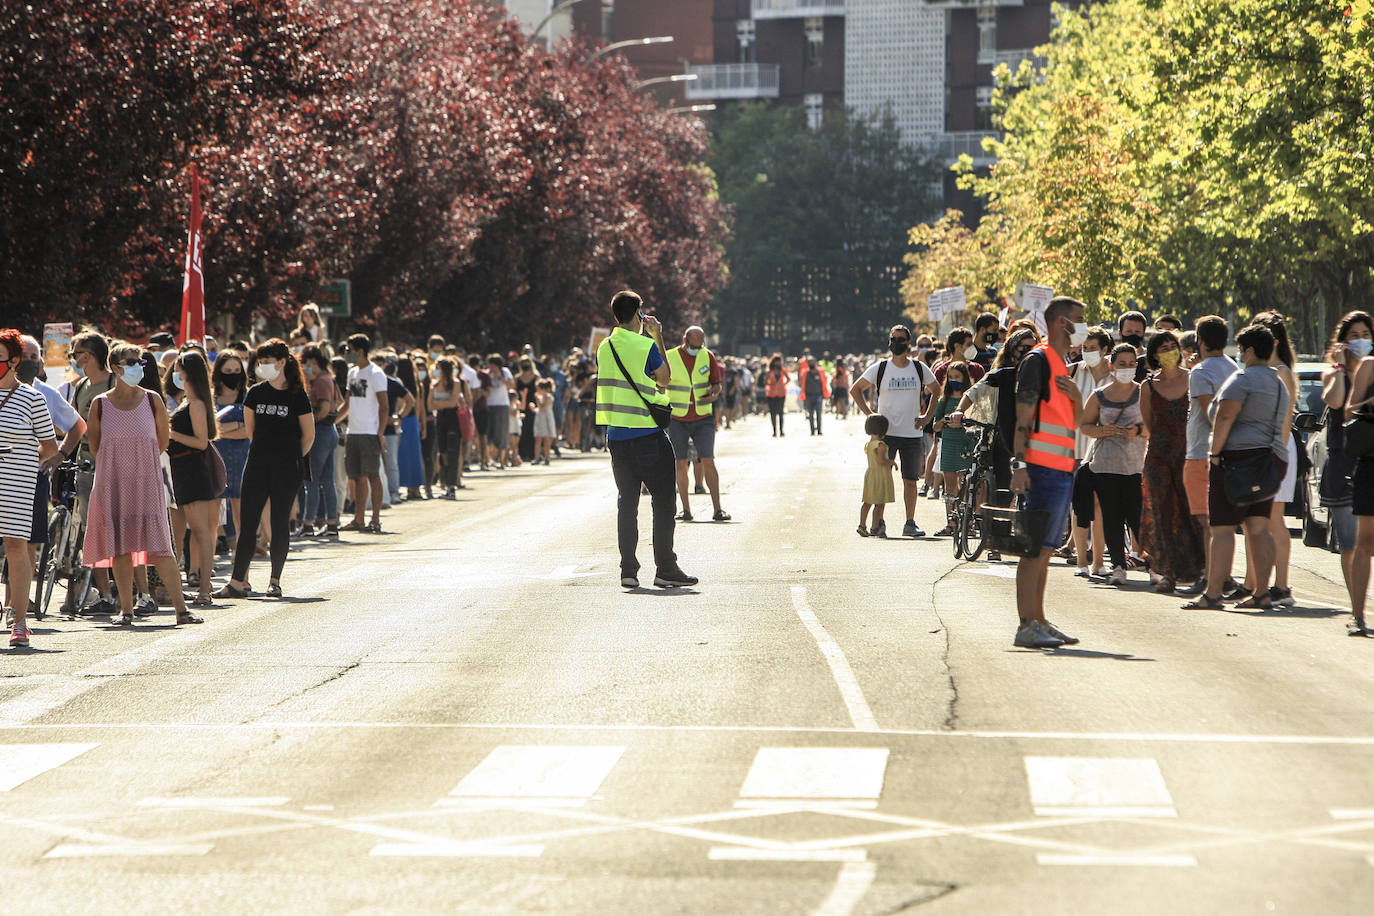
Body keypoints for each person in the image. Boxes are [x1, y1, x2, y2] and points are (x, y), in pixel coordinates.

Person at [82, 341, 200, 627]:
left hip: (147, 482)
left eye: (140, 362)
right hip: (112, 483)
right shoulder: (100, 404)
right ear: (115, 367)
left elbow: (162, 440)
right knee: (121, 547)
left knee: (161, 546)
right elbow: (96, 445)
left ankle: (181, 609)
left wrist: (139, 462)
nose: (138, 367)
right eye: (131, 362)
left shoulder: (152, 400)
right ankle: (125, 610)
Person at [595, 290, 697, 589]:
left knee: (627, 503)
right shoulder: (644, 344)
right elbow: (664, 378)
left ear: (615, 316)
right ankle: (665, 567)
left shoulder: (603, 347)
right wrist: (658, 337)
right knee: (664, 502)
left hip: (616, 435)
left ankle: (628, 569)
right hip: (647, 434)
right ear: (638, 315)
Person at [1184, 325, 1289, 611]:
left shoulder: (1243, 378)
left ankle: (1213, 593)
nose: (1241, 356)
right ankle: (1262, 592)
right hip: (1268, 460)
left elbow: (1225, 415)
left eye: (1242, 350)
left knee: (1221, 529)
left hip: (1237, 460)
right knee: (1259, 526)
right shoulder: (1277, 381)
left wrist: (1215, 453)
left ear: (1251, 350)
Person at [1010, 296, 1087, 649]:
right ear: (1061, 323)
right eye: (1079, 319)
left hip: (1059, 471)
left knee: (1045, 551)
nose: (1083, 326)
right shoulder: (1038, 360)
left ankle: (1038, 620)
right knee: (1033, 551)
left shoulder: (1061, 364)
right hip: (1040, 471)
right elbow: (1022, 419)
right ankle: (1027, 625)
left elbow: (1075, 423)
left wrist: (1075, 398)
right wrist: (1019, 466)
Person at [216, 340, 313, 600]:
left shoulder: (297, 394)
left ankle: (275, 581)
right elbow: (251, 430)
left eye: (268, 361)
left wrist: (290, 458)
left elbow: (309, 435)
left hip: (287, 467)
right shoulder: (256, 393)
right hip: (257, 463)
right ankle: (237, 582)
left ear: (282, 362)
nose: (263, 366)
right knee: (248, 524)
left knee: (280, 523)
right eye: (261, 361)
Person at [851, 324, 942, 539]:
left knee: (910, 480)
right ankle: (878, 523)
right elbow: (855, 389)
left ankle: (910, 523)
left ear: (908, 343)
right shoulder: (880, 368)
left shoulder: (919, 368)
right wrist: (870, 415)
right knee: (882, 478)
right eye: (893, 338)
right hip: (886, 435)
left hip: (912, 433)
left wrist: (928, 417)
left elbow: (938, 390)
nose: (896, 342)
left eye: (901, 339)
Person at [0, 330, 59, 646]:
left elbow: (49, 446)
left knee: (15, 547)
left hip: (18, 481)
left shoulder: (32, 397)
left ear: (14, 361)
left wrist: (22, 454)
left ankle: (19, 622)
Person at [1137, 330, 1204, 593]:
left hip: (1190, 454)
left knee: (1192, 512)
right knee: (1163, 514)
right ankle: (1167, 573)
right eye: (1163, 348)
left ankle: (1203, 570)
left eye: (1172, 346)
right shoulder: (1148, 386)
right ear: (1154, 354)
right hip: (1159, 457)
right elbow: (1149, 423)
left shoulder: (1194, 378)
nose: (1169, 352)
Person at [1177, 317, 1239, 596]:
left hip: (1202, 450)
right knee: (1220, 521)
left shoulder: (1200, 372)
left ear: (1200, 341)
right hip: (1229, 451)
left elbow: (1209, 412)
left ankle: (1211, 576)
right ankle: (1221, 575)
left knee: (1206, 521)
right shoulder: (1234, 368)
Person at [1320, 311, 1373, 633]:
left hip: (1366, 458)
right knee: (1352, 543)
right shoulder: (1335, 372)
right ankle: (1358, 609)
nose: (1360, 339)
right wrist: (1341, 367)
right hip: (1345, 459)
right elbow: (1340, 404)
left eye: (1365, 333)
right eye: (1354, 334)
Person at [1079, 344, 1147, 586]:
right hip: (1105, 465)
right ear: (1111, 366)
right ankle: (1118, 564)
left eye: (1132, 364)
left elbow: (1155, 427)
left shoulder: (1144, 392)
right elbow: (1085, 425)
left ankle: (1154, 564)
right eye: (1122, 364)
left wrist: (1138, 430)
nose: (1127, 368)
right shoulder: (1099, 395)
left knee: (1138, 516)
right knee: (1112, 517)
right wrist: (1101, 430)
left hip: (1136, 465)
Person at [1247, 311, 1300, 607]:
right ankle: (1254, 583)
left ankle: (1281, 586)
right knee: (1256, 520)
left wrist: (1272, 455)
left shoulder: (1281, 371)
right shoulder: (1264, 370)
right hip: (1261, 448)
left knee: (1274, 519)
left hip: (1275, 449)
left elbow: (1284, 419)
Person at [164, 349, 218, 607]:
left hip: (192, 470)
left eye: (179, 370)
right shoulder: (186, 403)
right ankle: (175, 587)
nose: (175, 374)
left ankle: (205, 587)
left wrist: (172, 433)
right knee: (176, 536)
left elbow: (201, 442)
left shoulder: (196, 405)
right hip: (177, 471)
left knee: (200, 531)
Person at [666, 326, 729, 522]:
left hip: (703, 417)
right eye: (694, 345)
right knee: (680, 463)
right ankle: (685, 510)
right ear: (685, 340)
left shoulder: (707, 355)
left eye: (700, 345)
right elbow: (660, 382)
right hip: (678, 417)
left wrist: (715, 392)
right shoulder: (669, 356)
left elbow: (716, 383)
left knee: (708, 460)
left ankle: (718, 509)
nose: (697, 349)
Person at [341, 333, 388, 534]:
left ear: (360, 351)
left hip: (369, 432)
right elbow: (347, 403)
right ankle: (358, 519)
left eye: (349, 350)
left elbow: (384, 406)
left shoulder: (376, 374)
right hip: (353, 432)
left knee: (372, 475)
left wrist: (380, 432)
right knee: (357, 477)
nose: (347, 354)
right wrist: (331, 421)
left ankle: (375, 518)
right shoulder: (352, 373)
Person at [211, 352, 250, 550]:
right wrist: (235, 426)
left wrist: (224, 428)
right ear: (219, 372)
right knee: (214, 508)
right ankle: (212, 554)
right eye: (227, 371)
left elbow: (249, 431)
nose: (232, 374)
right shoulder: (211, 397)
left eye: (236, 370)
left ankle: (241, 552)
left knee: (240, 508)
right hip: (215, 457)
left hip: (242, 457)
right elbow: (208, 431)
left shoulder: (248, 395)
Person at [300, 344, 341, 536]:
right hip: (328, 432)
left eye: (306, 363)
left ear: (314, 362)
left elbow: (324, 409)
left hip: (321, 432)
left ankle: (308, 523)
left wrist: (307, 422)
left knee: (312, 480)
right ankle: (331, 522)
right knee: (326, 479)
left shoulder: (322, 381)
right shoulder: (326, 379)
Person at [931, 362, 973, 537]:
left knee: (965, 483)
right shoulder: (944, 400)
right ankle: (950, 521)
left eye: (957, 377)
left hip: (965, 443)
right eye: (951, 377)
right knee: (949, 486)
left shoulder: (969, 399)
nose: (954, 380)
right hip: (948, 443)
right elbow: (935, 426)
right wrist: (944, 421)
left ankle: (966, 522)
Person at [429, 357, 466, 495]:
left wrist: (439, 403)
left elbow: (452, 403)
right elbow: (429, 404)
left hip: (453, 419)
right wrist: (443, 403)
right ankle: (444, 482)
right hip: (440, 419)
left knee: (453, 451)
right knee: (442, 451)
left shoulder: (455, 383)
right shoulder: (434, 384)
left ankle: (451, 485)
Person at [857, 414, 895, 537]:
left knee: (867, 501)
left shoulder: (869, 444)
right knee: (879, 502)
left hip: (870, 474)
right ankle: (875, 526)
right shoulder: (881, 445)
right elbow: (881, 460)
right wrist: (891, 462)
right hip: (880, 476)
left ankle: (862, 525)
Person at [394, 356, 426, 499]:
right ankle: (416, 488)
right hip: (413, 421)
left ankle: (406, 486)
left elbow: (400, 405)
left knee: (402, 456)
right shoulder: (417, 384)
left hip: (402, 420)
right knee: (415, 456)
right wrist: (421, 424)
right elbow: (419, 406)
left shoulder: (399, 385)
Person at [485, 354, 515, 468]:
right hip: (489, 405)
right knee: (489, 434)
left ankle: (502, 461)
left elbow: (512, 385)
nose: (491, 367)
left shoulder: (505, 372)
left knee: (502, 433)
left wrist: (500, 378)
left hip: (502, 405)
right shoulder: (486, 374)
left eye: (493, 365)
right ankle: (490, 459)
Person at [799, 354, 830, 435]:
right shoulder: (805, 373)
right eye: (809, 362)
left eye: (812, 362)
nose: (811, 363)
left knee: (819, 414)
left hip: (818, 395)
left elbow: (824, 382)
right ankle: (812, 431)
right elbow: (802, 384)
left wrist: (824, 394)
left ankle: (819, 430)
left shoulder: (820, 371)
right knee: (811, 415)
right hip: (809, 396)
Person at [764, 354, 788, 437]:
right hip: (771, 395)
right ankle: (774, 430)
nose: (778, 363)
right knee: (773, 413)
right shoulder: (769, 372)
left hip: (781, 394)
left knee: (781, 413)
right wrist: (770, 383)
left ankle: (781, 431)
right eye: (776, 361)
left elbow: (788, 379)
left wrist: (783, 384)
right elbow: (765, 382)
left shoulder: (782, 371)